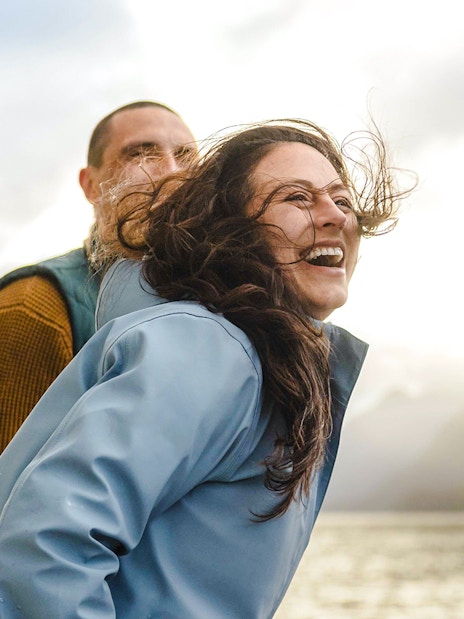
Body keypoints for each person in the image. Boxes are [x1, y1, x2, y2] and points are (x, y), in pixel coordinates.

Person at [0, 119, 409, 618]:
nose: (333, 217)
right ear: (233, 231)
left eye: (341, 200)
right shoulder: (208, 348)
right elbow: (46, 543)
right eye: (296, 198)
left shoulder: (252, 358)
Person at [0, 100, 196, 451]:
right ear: (90, 185)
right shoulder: (33, 306)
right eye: (141, 154)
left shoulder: (223, 301)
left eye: (186, 156)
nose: (171, 171)